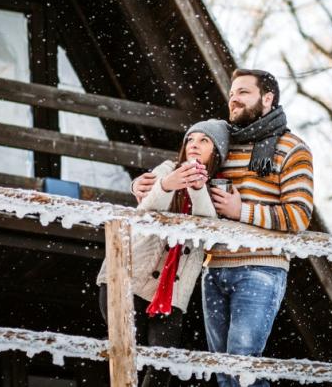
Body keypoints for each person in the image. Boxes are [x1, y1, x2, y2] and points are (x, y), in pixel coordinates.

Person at [132, 69, 314, 387]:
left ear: (267, 98)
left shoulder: (293, 149)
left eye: (243, 92)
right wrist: (145, 184)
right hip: (213, 268)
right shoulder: (223, 144)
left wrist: (240, 210)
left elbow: (298, 217)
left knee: (242, 366)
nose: (234, 98)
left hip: (261, 268)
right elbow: (180, 170)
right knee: (222, 371)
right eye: (232, 93)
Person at [96, 119, 230, 387]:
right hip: (129, 278)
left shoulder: (219, 188)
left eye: (204, 141)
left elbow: (207, 230)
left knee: (162, 363)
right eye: (190, 140)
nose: (194, 145)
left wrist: (197, 187)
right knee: (125, 354)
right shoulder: (167, 169)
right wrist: (167, 184)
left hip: (172, 294)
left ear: (217, 151)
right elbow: (144, 211)